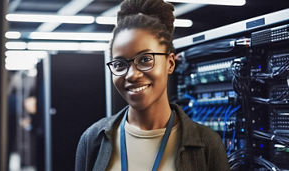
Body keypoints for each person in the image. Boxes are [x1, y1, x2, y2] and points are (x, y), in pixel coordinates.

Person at [75, 0, 230, 170]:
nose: (132, 74)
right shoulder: (93, 139)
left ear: (170, 63)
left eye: (145, 59)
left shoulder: (208, 144)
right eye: (120, 64)